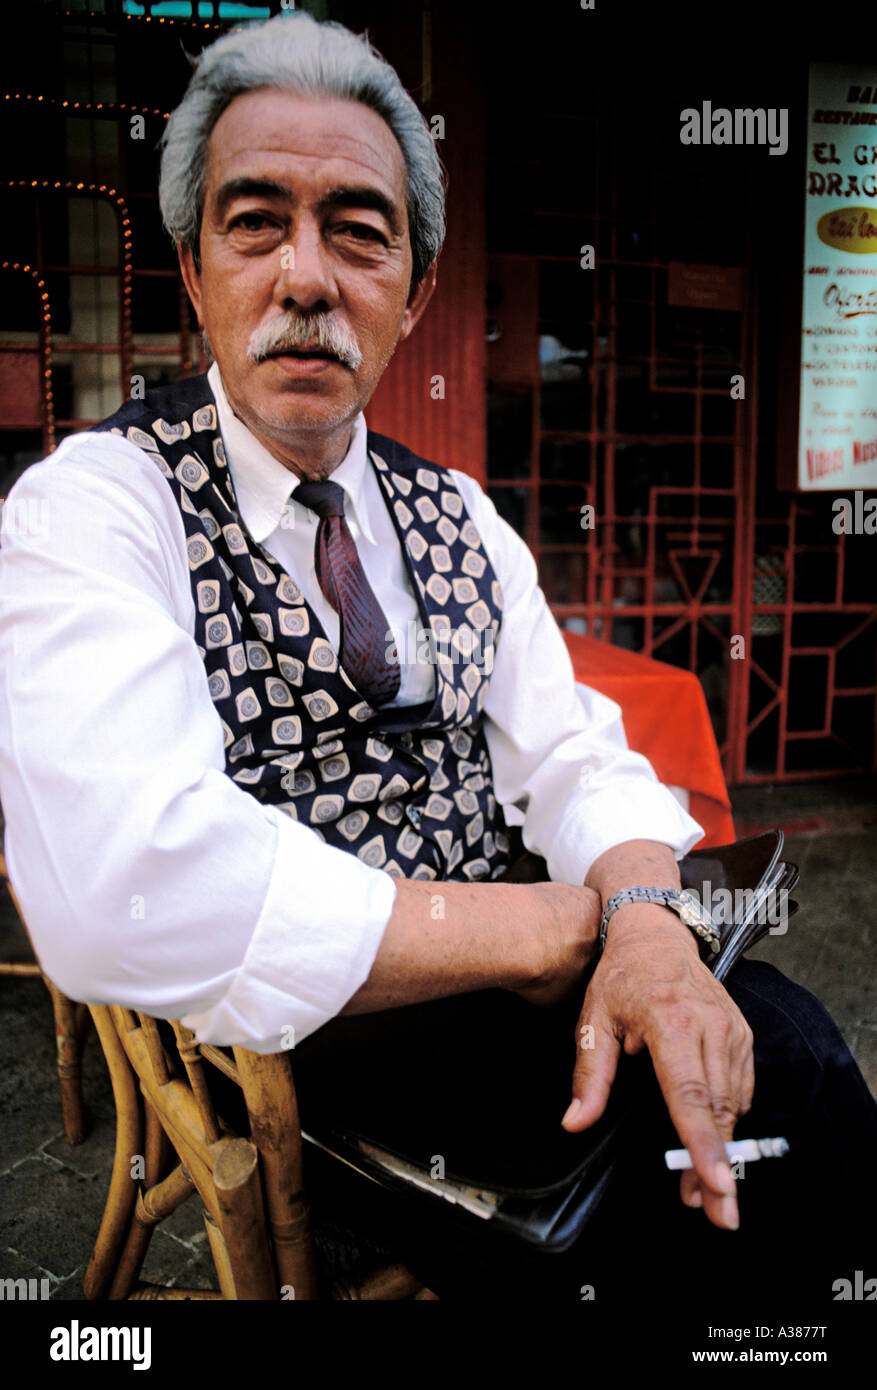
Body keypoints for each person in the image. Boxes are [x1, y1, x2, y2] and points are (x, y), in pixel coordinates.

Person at [0, 12, 873, 1303]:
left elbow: (568, 744)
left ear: (410, 295)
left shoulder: (455, 512)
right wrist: (533, 930)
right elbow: (123, 877)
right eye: (256, 223)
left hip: (524, 976)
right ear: (193, 274)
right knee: (698, 1164)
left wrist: (640, 921)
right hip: (312, 1033)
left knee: (775, 1051)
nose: (306, 275)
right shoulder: (99, 506)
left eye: (358, 232)